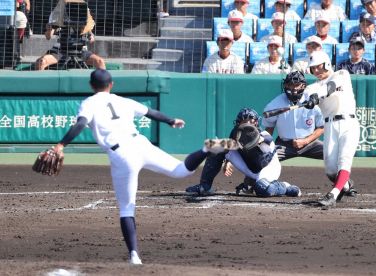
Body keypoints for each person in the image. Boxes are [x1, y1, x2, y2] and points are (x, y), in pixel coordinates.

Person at [47, 69, 238, 265]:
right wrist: (171, 120)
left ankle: (134, 256)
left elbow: (80, 124)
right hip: (141, 144)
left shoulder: (89, 103)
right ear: (111, 84)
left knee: (126, 209)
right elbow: (150, 112)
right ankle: (206, 149)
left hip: (122, 154)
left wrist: (61, 144)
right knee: (181, 170)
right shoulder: (123, 101)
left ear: (91, 85)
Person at [185, 108, 301, 198]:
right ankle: (205, 186)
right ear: (238, 122)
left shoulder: (264, 134)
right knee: (216, 145)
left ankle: (285, 187)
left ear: (256, 122)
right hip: (249, 166)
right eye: (244, 121)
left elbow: (268, 140)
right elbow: (226, 146)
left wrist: (259, 139)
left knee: (263, 188)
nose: (247, 124)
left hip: (268, 168)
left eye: (250, 121)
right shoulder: (235, 133)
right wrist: (227, 161)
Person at [299, 51, 360, 207]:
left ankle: (333, 194)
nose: (316, 71)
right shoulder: (311, 87)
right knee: (331, 170)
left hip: (348, 123)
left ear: (326, 63)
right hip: (330, 126)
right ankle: (345, 185)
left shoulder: (341, 74)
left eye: (318, 67)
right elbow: (307, 97)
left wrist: (315, 97)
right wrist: (308, 101)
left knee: (344, 160)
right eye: (313, 69)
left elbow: (330, 87)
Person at [35, 0, 105, 70]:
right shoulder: (57, 13)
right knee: (41, 62)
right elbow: (48, 36)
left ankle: (103, 80)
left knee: (100, 62)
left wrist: (90, 37)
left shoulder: (83, 12)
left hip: (80, 50)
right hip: (60, 50)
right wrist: (50, 29)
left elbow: (90, 35)